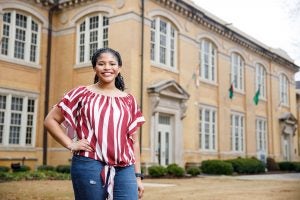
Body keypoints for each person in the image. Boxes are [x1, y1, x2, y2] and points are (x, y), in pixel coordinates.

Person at [44, 47, 145, 200]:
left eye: (112, 64)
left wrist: (137, 176)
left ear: (119, 68)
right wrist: (70, 144)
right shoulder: (81, 93)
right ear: (94, 67)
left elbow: (134, 142)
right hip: (89, 163)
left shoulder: (129, 100)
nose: (107, 68)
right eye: (101, 64)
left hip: (125, 168)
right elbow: (50, 120)